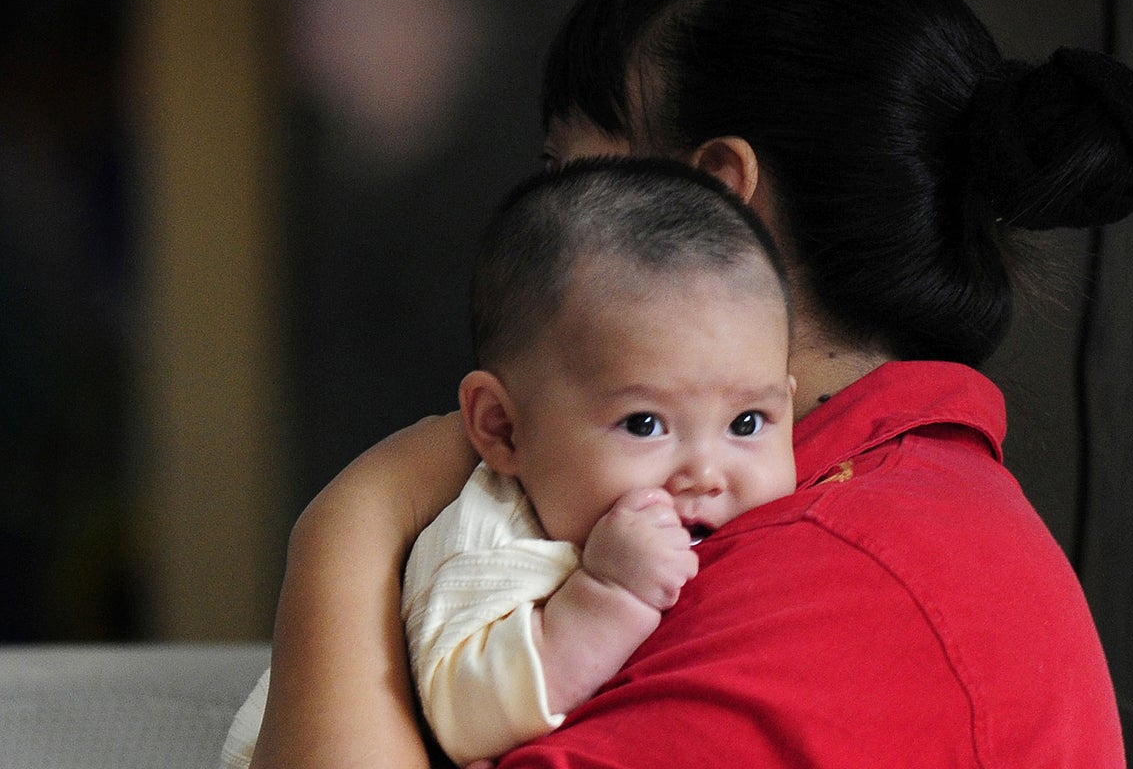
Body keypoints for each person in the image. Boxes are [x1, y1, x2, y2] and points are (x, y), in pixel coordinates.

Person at [249, 0, 1133, 767]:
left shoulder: (842, 583)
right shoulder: (830, 512)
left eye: (566, 171)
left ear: (714, 195)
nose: (538, 216)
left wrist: (358, 517)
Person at [225, 157, 797, 768]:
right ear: (502, 428)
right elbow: (464, 714)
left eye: (747, 423)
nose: (706, 474)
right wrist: (607, 596)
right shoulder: (487, 538)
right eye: (644, 424)